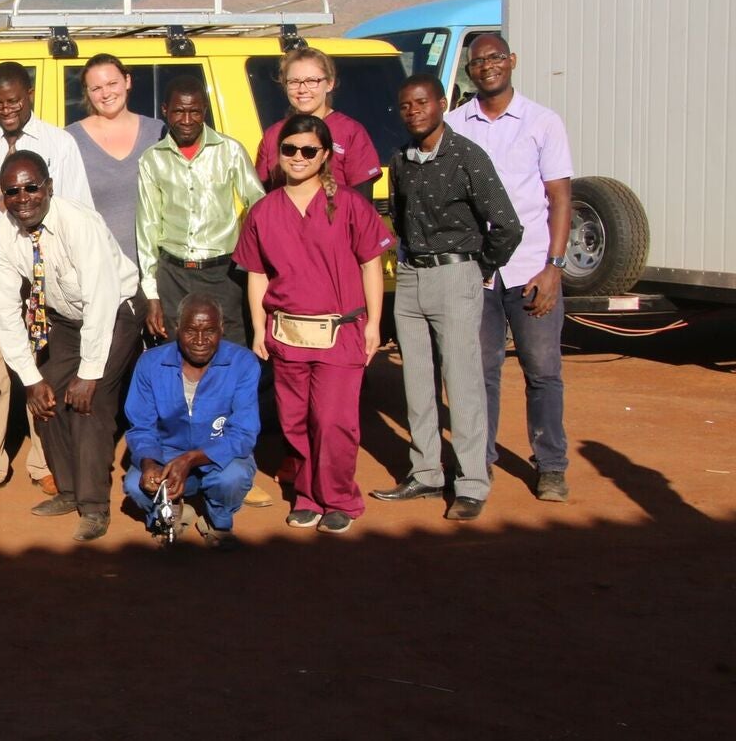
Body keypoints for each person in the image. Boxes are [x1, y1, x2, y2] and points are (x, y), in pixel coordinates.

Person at [375, 74, 523, 522]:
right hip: (410, 275)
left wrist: (480, 267)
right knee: (416, 381)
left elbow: (507, 224)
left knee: (462, 382)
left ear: (442, 104)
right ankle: (425, 472)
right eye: (405, 106)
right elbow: (398, 214)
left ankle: (473, 481)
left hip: (456, 274)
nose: (414, 111)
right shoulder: (400, 159)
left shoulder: (467, 157)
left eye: (422, 103)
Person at [234, 114, 390, 533]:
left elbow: (371, 263)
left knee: (334, 420)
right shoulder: (264, 211)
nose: (298, 157)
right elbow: (257, 273)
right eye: (290, 149)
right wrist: (257, 326)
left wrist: (374, 323)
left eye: (309, 151)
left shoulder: (350, 205)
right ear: (279, 154)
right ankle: (307, 495)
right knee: (295, 421)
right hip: (287, 333)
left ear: (324, 156)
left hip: (341, 331)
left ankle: (339, 498)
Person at [0, 62, 92, 500]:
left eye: (13, 100)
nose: (6, 110)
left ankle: (44, 461)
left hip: (42, 261)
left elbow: (78, 206)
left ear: (29, 94)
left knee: (43, 359)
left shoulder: (59, 143)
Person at [0, 150, 143, 542]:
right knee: (47, 394)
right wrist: (29, 377)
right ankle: (69, 490)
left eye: (31, 187)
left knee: (89, 402)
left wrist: (90, 374)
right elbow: (5, 312)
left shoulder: (79, 223)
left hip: (116, 310)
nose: (23, 198)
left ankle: (94, 507)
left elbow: (101, 300)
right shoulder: (2, 234)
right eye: (12, 192)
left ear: (49, 187)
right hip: (63, 319)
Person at [446, 35, 574, 502]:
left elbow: (560, 198)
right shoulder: (455, 124)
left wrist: (554, 267)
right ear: (469, 71)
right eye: (478, 62)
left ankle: (552, 466)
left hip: (531, 271)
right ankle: (479, 464)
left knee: (542, 370)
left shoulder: (543, 122)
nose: (487, 67)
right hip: (475, 274)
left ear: (512, 61)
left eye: (496, 58)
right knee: (481, 371)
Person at [123, 296, 260, 549]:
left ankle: (217, 520)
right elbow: (141, 426)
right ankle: (171, 513)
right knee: (135, 484)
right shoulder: (150, 363)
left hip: (217, 453)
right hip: (166, 453)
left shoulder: (243, 363)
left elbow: (243, 433)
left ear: (222, 329)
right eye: (190, 331)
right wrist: (149, 462)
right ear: (177, 329)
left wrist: (190, 459)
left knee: (232, 478)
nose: (199, 341)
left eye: (209, 331)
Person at [136, 74, 265, 343]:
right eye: (178, 112)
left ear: (204, 111)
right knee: (177, 347)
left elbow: (258, 203)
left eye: (194, 112)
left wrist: (252, 257)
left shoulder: (229, 150)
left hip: (223, 272)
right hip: (173, 274)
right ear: (165, 111)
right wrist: (152, 294)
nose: (186, 120)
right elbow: (147, 227)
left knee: (230, 347)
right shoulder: (152, 159)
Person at [66, 53, 165, 266]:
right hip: (98, 268)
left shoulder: (159, 132)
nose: (106, 93)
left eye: (112, 83)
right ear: (88, 93)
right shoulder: (69, 140)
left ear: (127, 81)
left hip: (157, 268)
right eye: (96, 88)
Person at [253, 46, 382, 196]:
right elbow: (262, 197)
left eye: (312, 81)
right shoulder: (272, 135)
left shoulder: (351, 132)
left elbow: (362, 205)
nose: (302, 89)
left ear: (329, 83)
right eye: (294, 82)